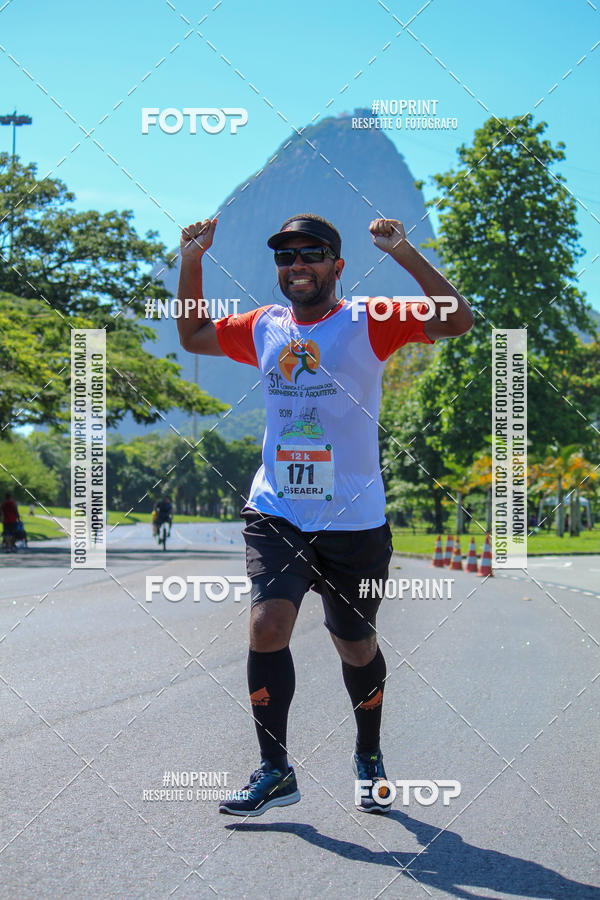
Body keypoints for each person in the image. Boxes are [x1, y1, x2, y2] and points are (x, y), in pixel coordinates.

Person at [177, 212, 473, 816]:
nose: (297, 265)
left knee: (355, 643)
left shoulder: (370, 320)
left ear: (337, 265)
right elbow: (194, 337)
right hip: (277, 509)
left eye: (311, 254)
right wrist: (191, 259)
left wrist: (404, 254)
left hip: (355, 519)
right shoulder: (263, 325)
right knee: (266, 626)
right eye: (286, 257)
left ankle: (369, 757)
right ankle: (274, 769)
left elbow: (458, 320)